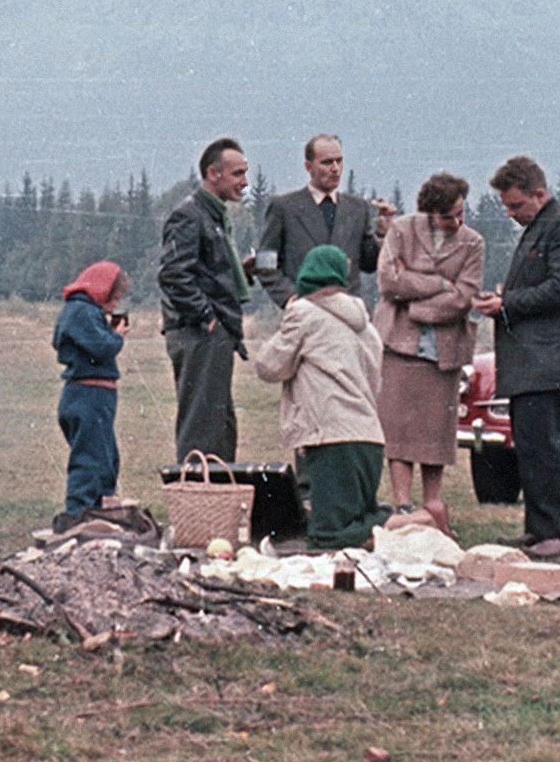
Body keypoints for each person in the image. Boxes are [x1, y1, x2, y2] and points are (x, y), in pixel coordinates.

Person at [471, 155, 560, 558]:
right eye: (506, 207)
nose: (511, 214)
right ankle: (539, 530)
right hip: (530, 364)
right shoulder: (538, 228)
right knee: (531, 448)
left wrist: (507, 303)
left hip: (548, 363)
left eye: (516, 205)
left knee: (546, 448)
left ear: (539, 194)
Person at [253, 245, 391, 550]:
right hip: (368, 436)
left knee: (327, 535)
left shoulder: (304, 313)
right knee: (355, 523)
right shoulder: (366, 326)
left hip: (332, 437)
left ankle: (414, 521)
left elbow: (268, 366)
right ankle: (401, 524)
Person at [374, 172, 485, 535]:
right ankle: (402, 505)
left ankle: (432, 506)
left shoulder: (473, 243)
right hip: (399, 346)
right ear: (430, 213)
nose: (456, 222)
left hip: (443, 351)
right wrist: (438, 284)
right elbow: (388, 280)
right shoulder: (402, 231)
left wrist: (415, 303)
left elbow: (464, 296)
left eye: (460, 214)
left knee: (435, 433)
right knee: (399, 429)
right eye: (448, 216)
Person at [159, 137, 252, 462]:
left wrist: (240, 273)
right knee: (202, 428)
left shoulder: (212, 216)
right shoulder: (189, 216)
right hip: (199, 334)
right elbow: (173, 275)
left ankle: (217, 504)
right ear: (214, 173)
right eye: (238, 173)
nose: (245, 182)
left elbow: (204, 274)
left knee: (219, 426)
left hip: (213, 333)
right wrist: (207, 317)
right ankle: (196, 503)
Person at [253, 134, 396, 307]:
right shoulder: (284, 208)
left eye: (339, 161)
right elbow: (265, 263)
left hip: (349, 315)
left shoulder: (358, 208)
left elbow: (368, 264)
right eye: (327, 162)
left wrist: (382, 234)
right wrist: (290, 297)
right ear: (309, 166)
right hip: (304, 313)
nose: (335, 168)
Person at [50, 261, 129, 530]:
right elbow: (101, 347)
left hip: (90, 396)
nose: (113, 305)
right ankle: (77, 519)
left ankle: (97, 517)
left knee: (105, 460)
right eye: (113, 297)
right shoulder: (81, 311)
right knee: (90, 461)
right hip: (89, 396)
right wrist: (116, 336)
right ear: (102, 289)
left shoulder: (81, 311)